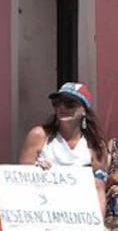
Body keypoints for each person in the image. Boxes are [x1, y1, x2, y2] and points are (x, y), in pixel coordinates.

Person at [19, 82, 107, 215]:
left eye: (70, 103)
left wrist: (98, 223)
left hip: (79, 215)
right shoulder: (39, 136)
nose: (62, 107)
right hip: (43, 212)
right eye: (57, 103)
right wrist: (36, 170)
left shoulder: (95, 145)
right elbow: (20, 180)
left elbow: (99, 188)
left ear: (84, 110)